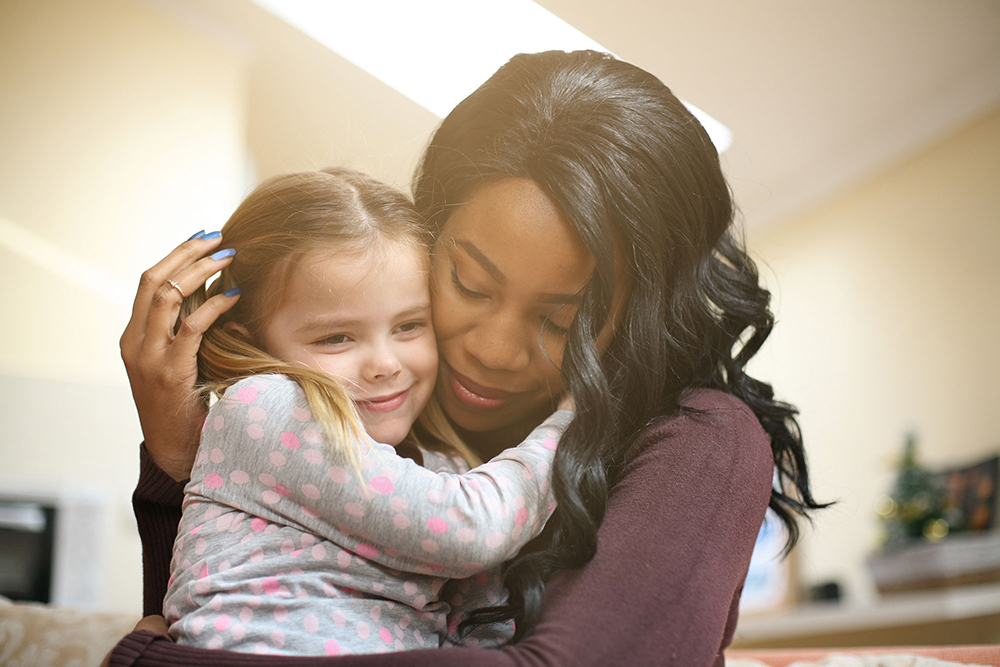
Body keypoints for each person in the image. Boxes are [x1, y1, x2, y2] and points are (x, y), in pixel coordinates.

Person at [110, 50, 824, 667]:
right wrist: (180, 461)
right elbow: (236, 618)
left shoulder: (701, 440)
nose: (490, 348)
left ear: (640, 318)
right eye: (469, 284)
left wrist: (151, 659)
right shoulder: (380, 415)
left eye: (560, 319)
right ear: (428, 236)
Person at [163, 168, 571, 656]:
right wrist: (579, 415)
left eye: (409, 325)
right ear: (253, 343)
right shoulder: (260, 406)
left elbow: (482, 632)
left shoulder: (447, 473)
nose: (384, 364)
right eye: (336, 337)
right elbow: (474, 531)